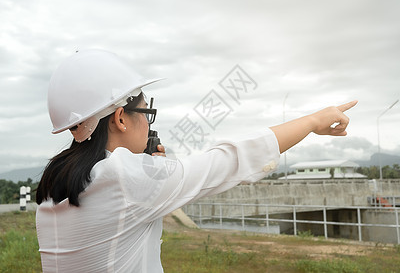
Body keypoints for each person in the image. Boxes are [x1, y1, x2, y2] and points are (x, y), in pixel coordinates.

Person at [36, 49, 357, 272]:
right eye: (146, 112)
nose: (149, 123)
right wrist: (313, 121)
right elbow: (228, 161)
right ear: (120, 118)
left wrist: (151, 166)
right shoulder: (127, 178)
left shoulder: (53, 186)